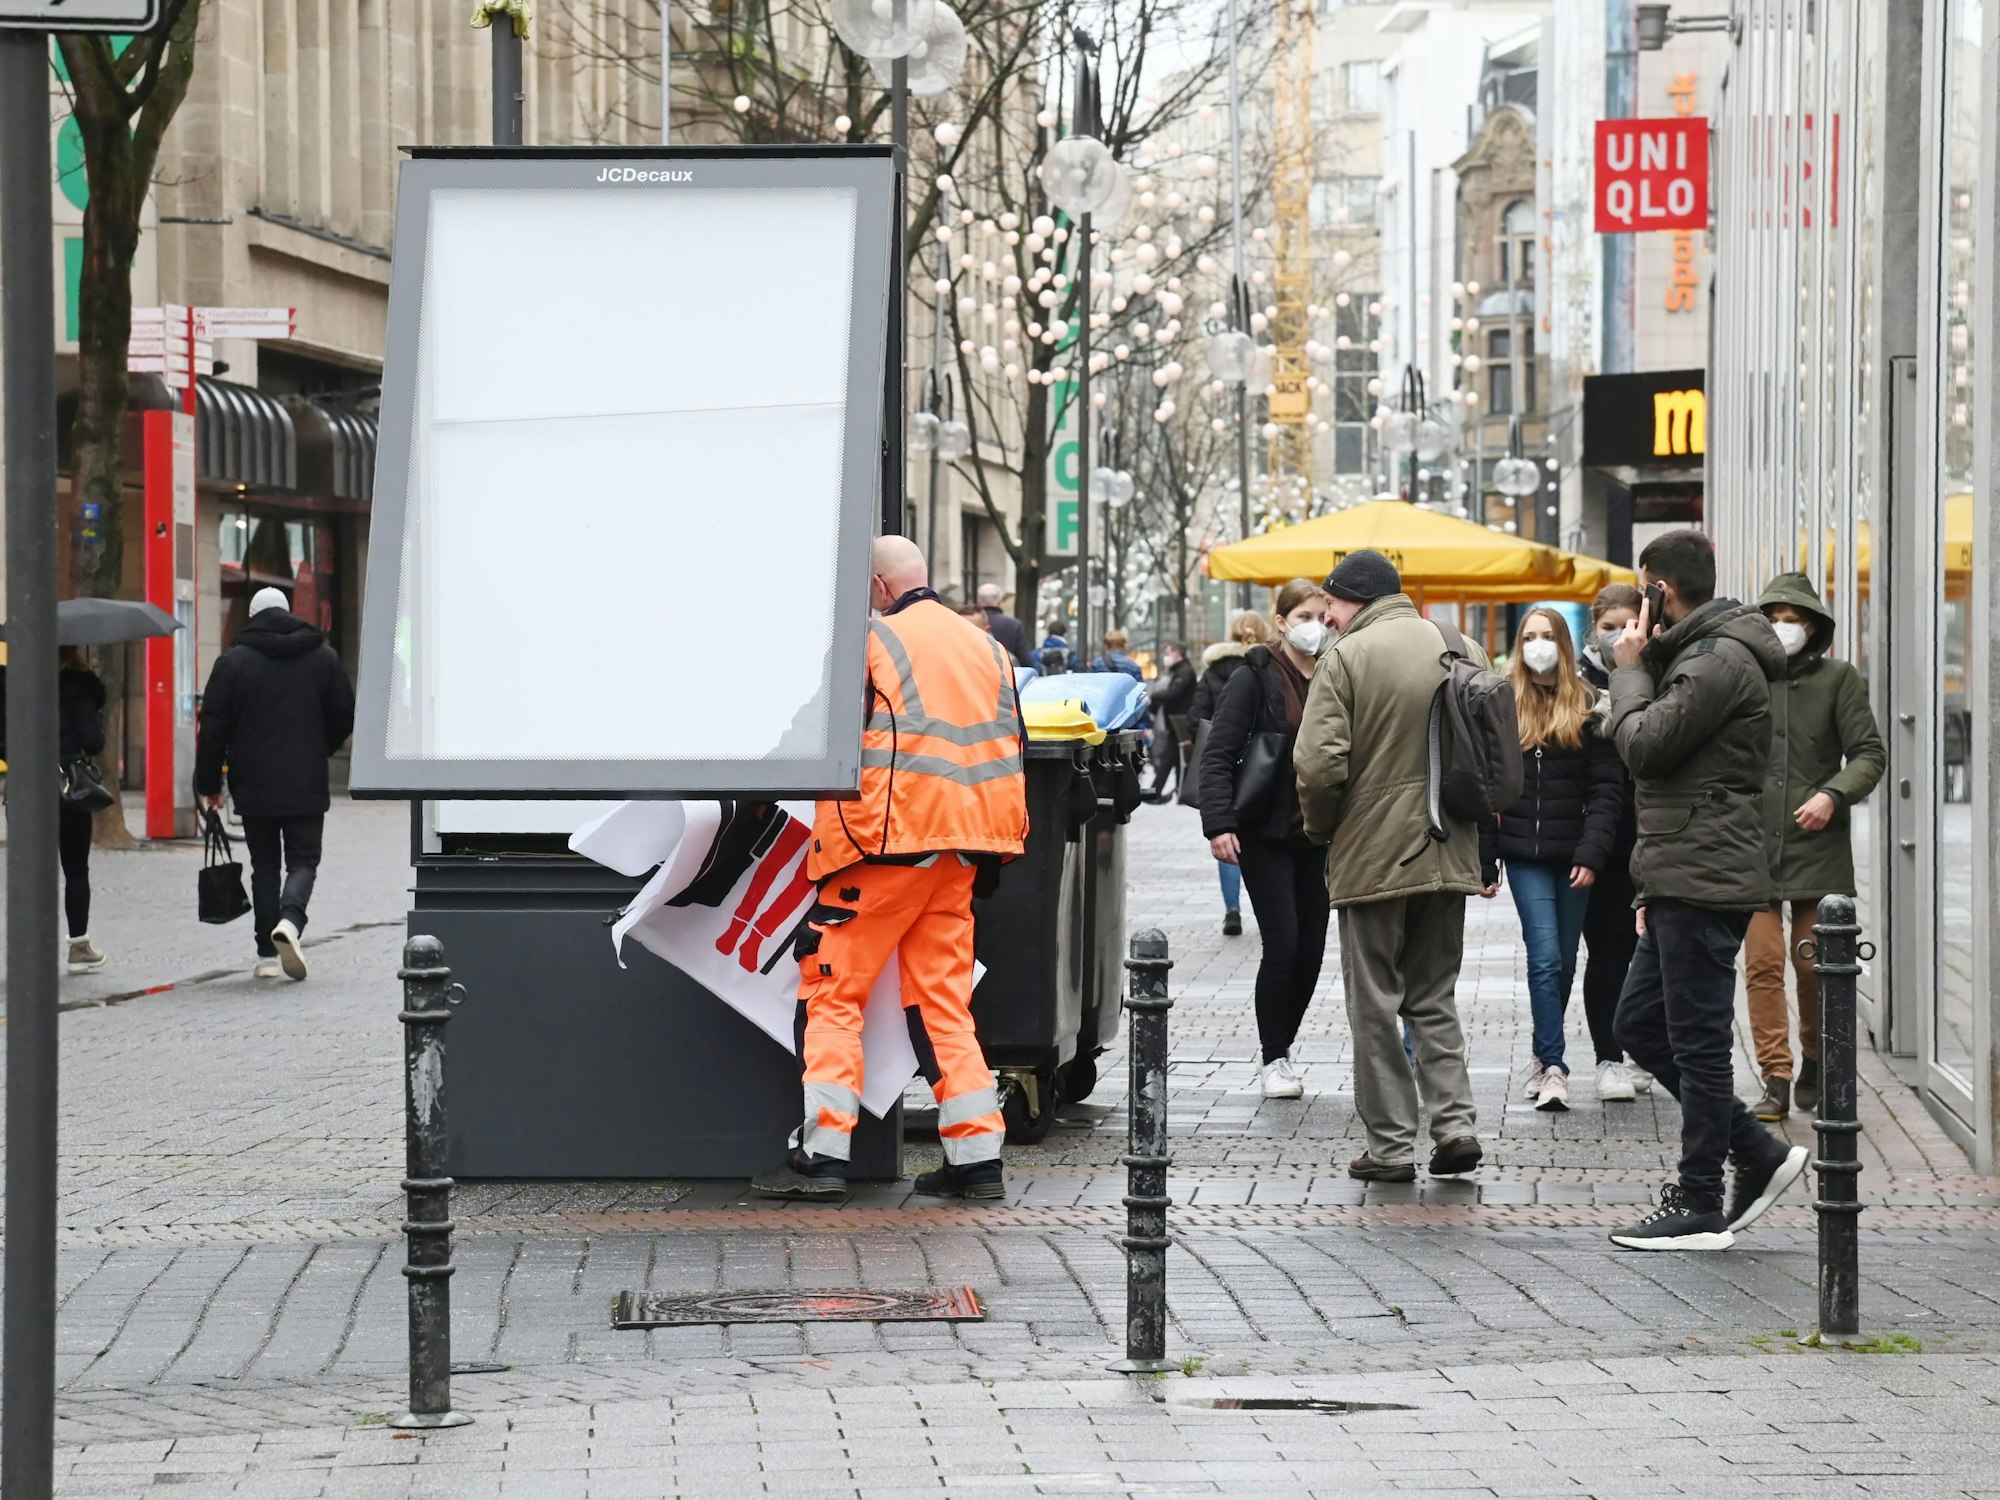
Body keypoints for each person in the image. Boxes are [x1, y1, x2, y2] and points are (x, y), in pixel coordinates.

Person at [753, 536, 1026, 1202]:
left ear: (878, 587)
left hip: (883, 848)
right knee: (944, 1006)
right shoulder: (989, 649)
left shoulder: (873, 642)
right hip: (962, 852)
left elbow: (808, 739)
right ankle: (976, 1162)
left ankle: (821, 1157)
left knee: (832, 993)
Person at [1606, 529, 1809, 1250]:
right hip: (1679, 867)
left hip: (1702, 869)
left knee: (1697, 1042)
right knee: (1637, 1025)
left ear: (1661, 588)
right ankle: (1756, 1155)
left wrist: (1630, 670)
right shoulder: (1696, 654)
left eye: (1643, 588)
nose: (1637, 604)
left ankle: (1699, 1202)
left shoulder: (1719, 659)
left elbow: (1643, 746)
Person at [1295, 550, 1483, 1181]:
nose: (1327, 616)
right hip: (1450, 846)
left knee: (1375, 1002)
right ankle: (1455, 1127)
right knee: (1434, 993)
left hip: (1373, 856)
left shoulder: (1346, 657)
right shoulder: (1461, 645)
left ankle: (1391, 1147)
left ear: (1352, 600)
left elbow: (1319, 765)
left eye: (1332, 605)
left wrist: (1323, 830)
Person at [1744, 571, 1885, 1122]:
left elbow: (1870, 754)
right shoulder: (1743, 676)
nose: (1782, 630)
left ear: (1812, 627)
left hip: (1816, 850)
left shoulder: (1838, 679)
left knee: (1814, 967)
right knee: (1760, 964)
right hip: (1750, 849)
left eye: (1792, 621)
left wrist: (1832, 794)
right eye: (1773, 621)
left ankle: (1814, 1057)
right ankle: (1775, 1078)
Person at [1479, 610, 1625, 1111]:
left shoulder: (1589, 706)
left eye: (1546, 637)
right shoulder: (1500, 704)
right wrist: (1486, 857)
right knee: (1544, 958)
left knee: (1563, 963)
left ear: (1562, 644)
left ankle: (1542, 1058)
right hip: (1523, 856)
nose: (1537, 645)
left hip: (1574, 856)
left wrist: (1593, 852)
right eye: (1528, 637)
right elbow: (1486, 787)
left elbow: (1608, 791)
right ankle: (1557, 1067)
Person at [1198, 580, 1331, 1098]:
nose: (1314, 625)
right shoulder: (1254, 675)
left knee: (1313, 950)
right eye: (1303, 615)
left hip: (1318, 833)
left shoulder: (1333, 673)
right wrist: (1219, 822)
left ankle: (1284, 1044)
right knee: (1284, 942)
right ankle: (1273, 1056)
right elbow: (1217, 752)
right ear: (1280, 622)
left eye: (1321, 614)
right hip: (1266, 830)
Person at [194, 586, 356, 982]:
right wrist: (320, 747)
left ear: (252, 617)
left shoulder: (232, 664)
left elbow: (213, 729)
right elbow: (345, 714)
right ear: (288, 613)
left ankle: (267, 954)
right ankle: (290, 919)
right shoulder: (324, 659)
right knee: (303, 860)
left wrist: (210, 783)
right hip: (305, 779)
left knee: (264, 865)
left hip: (254, 782)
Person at [1577, 584, 1652, 1101]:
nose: (1618, 636)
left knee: (1653, 953)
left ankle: (1646, 1049)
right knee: (1606, 952)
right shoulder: (1576, 686)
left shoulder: (1661, 677)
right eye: (1609, 627)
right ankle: (1608, 1057)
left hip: (1654, 836)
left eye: (1628, 626)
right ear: (1594, 628)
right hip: (1599, 840)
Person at [1189, 610, 1271, 934]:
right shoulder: (1266, 669)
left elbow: (1196, 717)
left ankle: (1233, 909)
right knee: (1263, 840)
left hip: (1224, 769)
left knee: (1227, 836)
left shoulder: (1212, 672)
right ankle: (1266, 909)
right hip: (1260, 768)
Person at [58, 648, 109, 975]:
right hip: (68, 788)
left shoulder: (13, 683)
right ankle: (78, 946)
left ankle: (25, 947)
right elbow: (92, 741)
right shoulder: (79, 686)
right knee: (76, 868)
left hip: (25, 787)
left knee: (28, 870)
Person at [1142, 643, 1196, 802]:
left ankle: (1155, 793)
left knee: (1169, 758)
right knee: (1177, 758)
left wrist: (1156, 695)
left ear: (1177, 653)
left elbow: (1173, 694)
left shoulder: (1184, 672)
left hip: (1179, 720)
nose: (1166, 657)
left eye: (1168, 653)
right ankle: (1179, 793)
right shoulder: (1180, 670)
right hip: (1176, 721)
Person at [977, 583, 1033, 667]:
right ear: (1000, 601)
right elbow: (1025, 661)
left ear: (979, 601)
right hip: (1008, 674)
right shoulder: (1015, 625)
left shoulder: (967, 623)